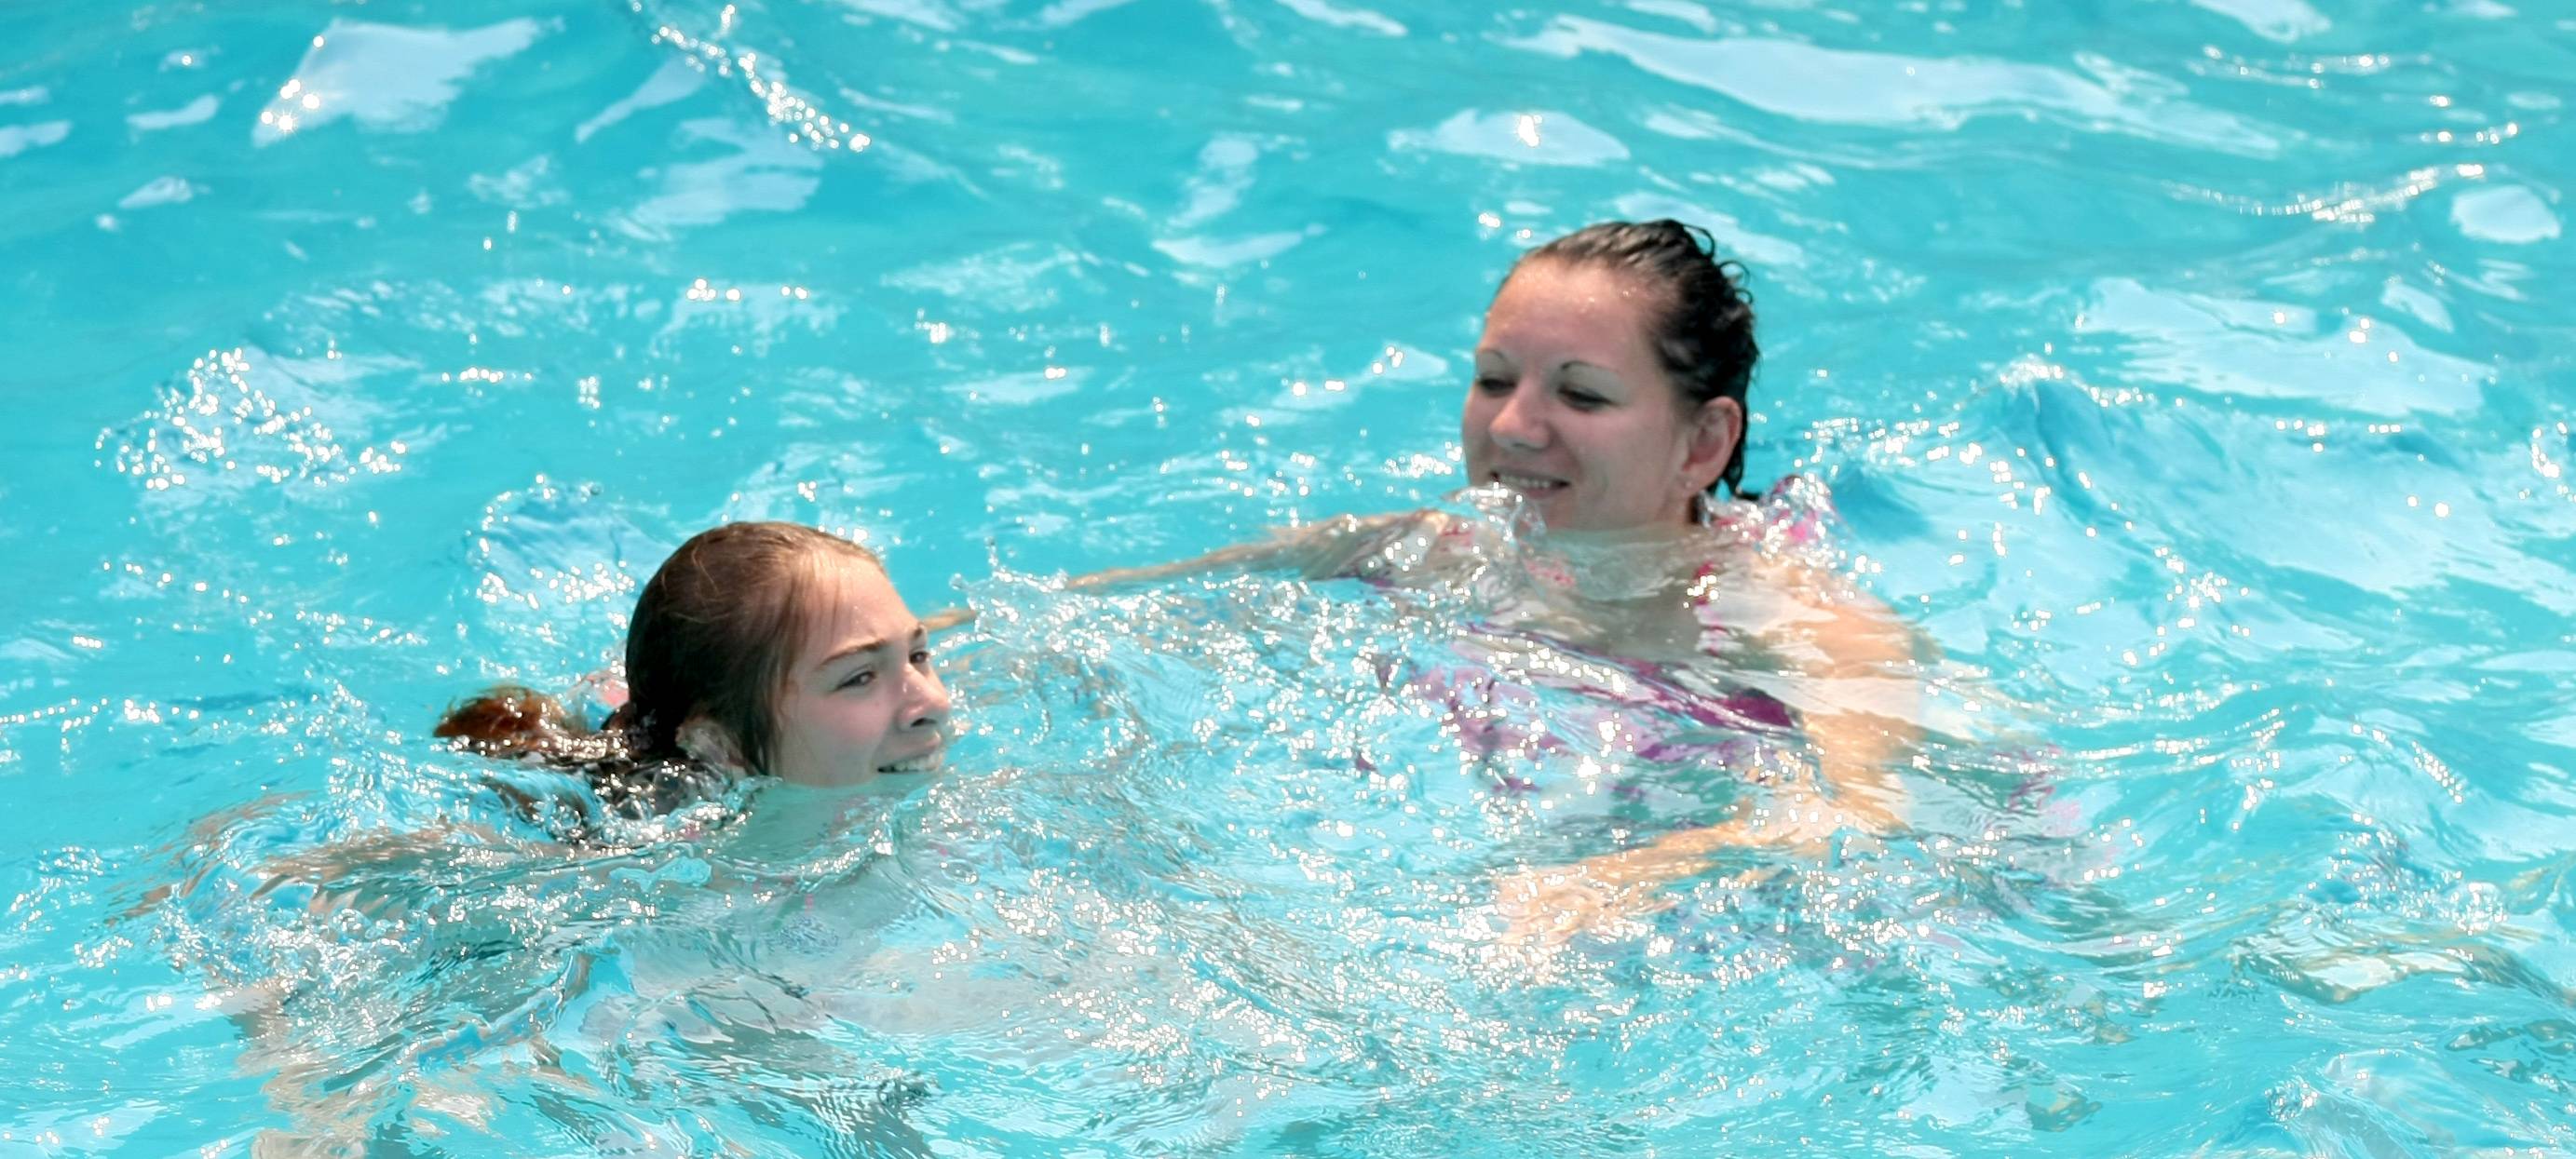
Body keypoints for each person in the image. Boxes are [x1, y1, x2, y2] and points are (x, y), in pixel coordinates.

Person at [942, 220, 1924, 929]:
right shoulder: (1428, 549)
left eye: (1579, 394)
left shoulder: (1795, 623)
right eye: (1494, 378)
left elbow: (1864, 817)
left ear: (1705, 442)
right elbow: (1100, 610)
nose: (1512, 427)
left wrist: (1622, 883)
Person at [440, 520, 954, 826]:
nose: (933, 703)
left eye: (917, 655)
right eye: (860, 677)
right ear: (721, 744)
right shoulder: (638, 850)